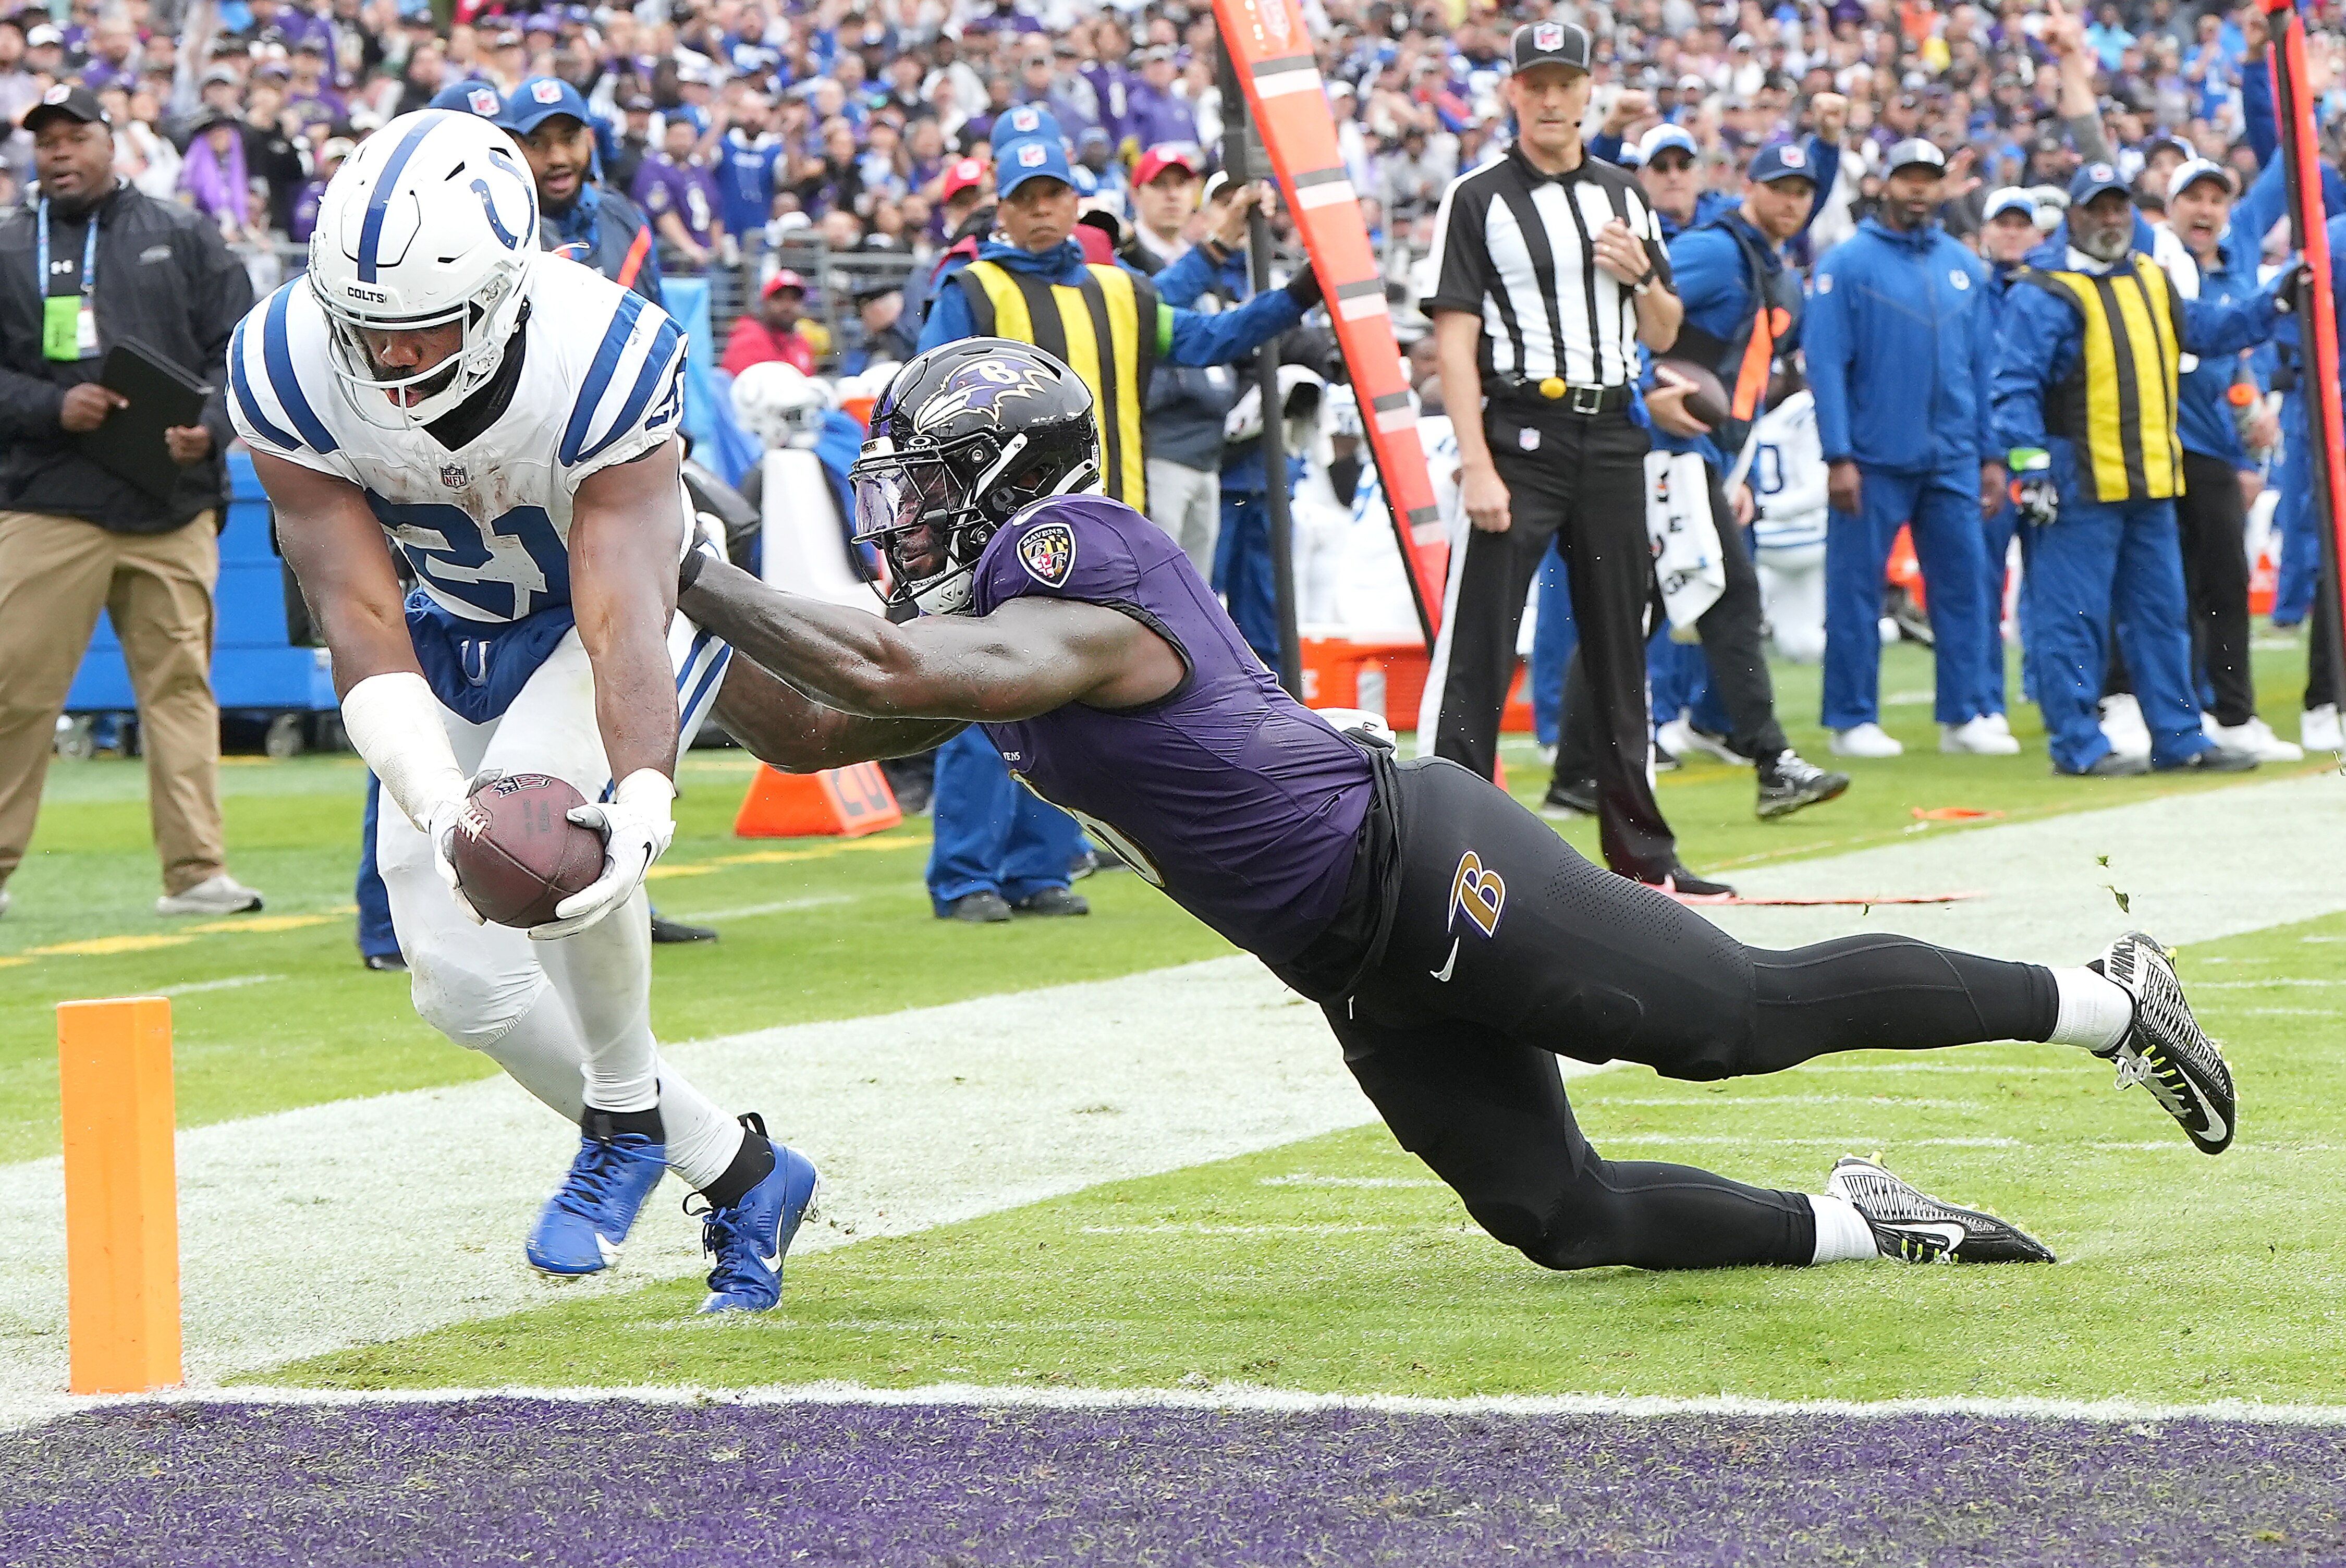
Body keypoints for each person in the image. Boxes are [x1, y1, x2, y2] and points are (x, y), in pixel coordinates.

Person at [684, 336, 2240, 1279]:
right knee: (1554, 1215)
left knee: (1728, 1020)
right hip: (1348, 951)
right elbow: (822, 728)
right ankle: (1863, 1225)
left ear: (1005, 478)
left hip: (1416, 855)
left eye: (921, 485)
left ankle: (2104, 998)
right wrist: (617, 590)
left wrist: (685, 557)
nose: (902, 518)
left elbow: (875, 658)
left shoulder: (1074, 557)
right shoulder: (997, 617)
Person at [229, 109, 815, 1314]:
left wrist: (643, 796)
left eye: (422, 331)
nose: (390, 362)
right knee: (464, 988)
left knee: (540, 840)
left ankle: (616, 1114)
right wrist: (435, 796)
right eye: (367, 330)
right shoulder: (282, 358)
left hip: (613, 614)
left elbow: (617, 612)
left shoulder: (600, 351)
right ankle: (743, 1169)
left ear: (501, 294)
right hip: (442, 625)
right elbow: (355, 611)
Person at [914, 115, 1315, 924]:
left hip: (1094, 538)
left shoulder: (1121, 291)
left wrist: (1302, 293)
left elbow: (1211, 337)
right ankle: (965, 876)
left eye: (1053, 192)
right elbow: (922, 404)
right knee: (978, 696)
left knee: (1072, 707)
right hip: (988, 537)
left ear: (1074, 197)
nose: (1040, 209)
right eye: (1024, 195)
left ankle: (1039, 869)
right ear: (1000, 201)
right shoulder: (972, 291)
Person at [1419, 22, 1722, 898]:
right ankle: (1448, 841)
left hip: (1612, 432)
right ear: (1513, 92)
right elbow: (1453, 342)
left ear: (1590, 90)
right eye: (1535, 82)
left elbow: (1664, 331)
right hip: (1519, 429)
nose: (1551, 98)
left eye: (1566, 82)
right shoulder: (1476, 196)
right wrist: (1474, 461)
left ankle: (1643, 854)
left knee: (1622, 642)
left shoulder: (1625, 194)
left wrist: (1641, 278)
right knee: (1480, 638)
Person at [0, 85, 265, 922]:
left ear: (114, 144)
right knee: (13, 691)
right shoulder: (7, 245)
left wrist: (211, 426)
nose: (60, 154)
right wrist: (52, 407)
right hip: (49, 502)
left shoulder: (183, 233)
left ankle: (196, 873)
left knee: (182, 693)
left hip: (171, 504)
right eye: (46, 143)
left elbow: (243, 348)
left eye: (76, 137)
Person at [1556, 141, 1848, 822]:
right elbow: (1621, 316)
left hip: (1699, 458)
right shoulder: (1718, 253)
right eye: (1781, 187)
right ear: (1750, 184)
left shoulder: (1777, 271)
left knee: (1628, 613)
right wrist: (1646, 388)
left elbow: (1741, 386)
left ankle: (1575, 776)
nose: (1794, 201)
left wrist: (1734, 471)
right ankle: (1772, 760)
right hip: (1658, 449)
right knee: (1733, 597)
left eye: (1805, 190)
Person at [1994, 160, 2290, 777]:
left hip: (2154, 483)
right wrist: (2032, 468)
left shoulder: (2151, 279)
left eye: (2119, 207)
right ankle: (2077, 745)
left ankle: (2179, 737)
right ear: (2072, 215)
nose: (2110, 218)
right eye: (2098, 207)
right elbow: (2013, 387)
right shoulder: (2043, 290)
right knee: (2072, 621)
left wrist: (2273, 303)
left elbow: (2205, 330)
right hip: (2080, 486)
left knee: (2163, 620)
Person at [1803, 139, 2011, 760]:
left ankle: (1965, 712)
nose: (1918, 189)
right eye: (1907, 178)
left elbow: (1983, 369)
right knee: (1856, 591)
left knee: (1965, 586)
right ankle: (1850, 718)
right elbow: (1826, 363)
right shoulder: (1847, 262)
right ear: (1884, 184)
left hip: (1951, 455)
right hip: (1870, 457)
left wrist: (1991, 454)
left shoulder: (1964, 266)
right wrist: (1838, 453)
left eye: (1928, 178)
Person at [2147, 158, 2300, 763]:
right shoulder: (2153, 262)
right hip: (2159, 450)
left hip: (2215, 453)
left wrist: (2250, 434)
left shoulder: (2235, 271)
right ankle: (2171, 714)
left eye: (2217, 199)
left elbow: (2239, 365)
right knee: (2163, 593)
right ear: (2170, 206)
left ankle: (2232, 714)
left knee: (2226, 588)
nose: (2205, 209)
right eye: (2193, 198)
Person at [505, 76, 663, 309]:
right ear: (513, 148)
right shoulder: (503, 235)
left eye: (569, 140)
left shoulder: (627, 219)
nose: (558, 159)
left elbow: (661, 331)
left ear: (590, 140)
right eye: (537, 143)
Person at [632, 116, 725, 273]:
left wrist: (718, 247)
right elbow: (663, 214)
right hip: (671, 258)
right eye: (678, 136)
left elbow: (715, 211)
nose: (684, 142)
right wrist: (690, 248)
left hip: (706, 256)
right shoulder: (654, 168)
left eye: (688, 137)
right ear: (666, 137)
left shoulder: (698, 168)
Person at [721, 268, 815, 377]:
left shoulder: (801, 343)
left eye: (794, 300)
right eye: (779, 299)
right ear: (766, 302)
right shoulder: (749, 340)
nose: (787, 306)